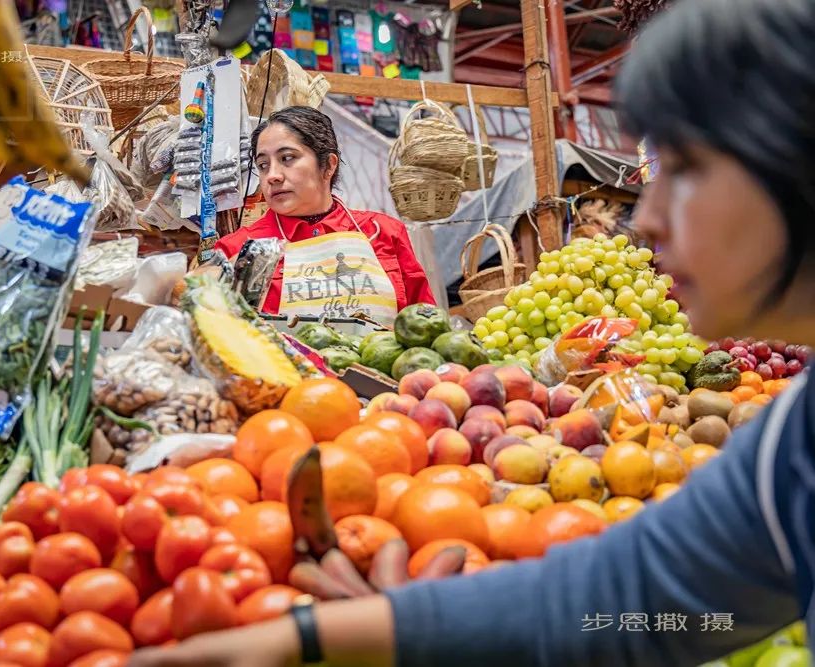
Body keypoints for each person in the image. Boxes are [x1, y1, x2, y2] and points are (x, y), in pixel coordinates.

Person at [130, 0, 815, 663]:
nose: (650, 217)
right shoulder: (791, 446)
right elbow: (622, 593)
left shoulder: (383, 233)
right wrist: (308, 637)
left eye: (686, 168)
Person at [214, 106, 435, 324]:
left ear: (328, 166)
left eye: (288, 158)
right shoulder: (237, 249)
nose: (272, 176)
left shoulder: (383, 231)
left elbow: (426, 324)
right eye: (263, 165)